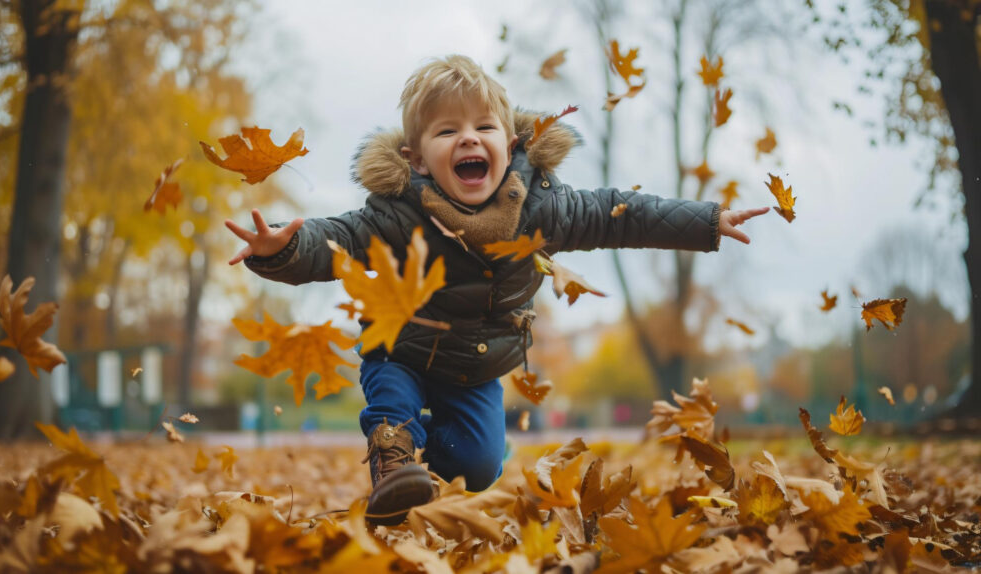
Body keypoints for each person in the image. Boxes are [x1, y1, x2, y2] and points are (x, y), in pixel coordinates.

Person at [225, 55, 768, 525]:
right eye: (445, 131)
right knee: (394, 400)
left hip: (475, 363)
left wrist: (706, 221)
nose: (467, 138)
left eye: (483, 127)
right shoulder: (397, 212)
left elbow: (620, 214)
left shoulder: (544, 209)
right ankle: (393, 456)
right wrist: (285, 251)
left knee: (480, 466)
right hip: (403, 347)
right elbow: (336, 240)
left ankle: (416, 470)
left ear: (509, 145)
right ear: (417, 159)